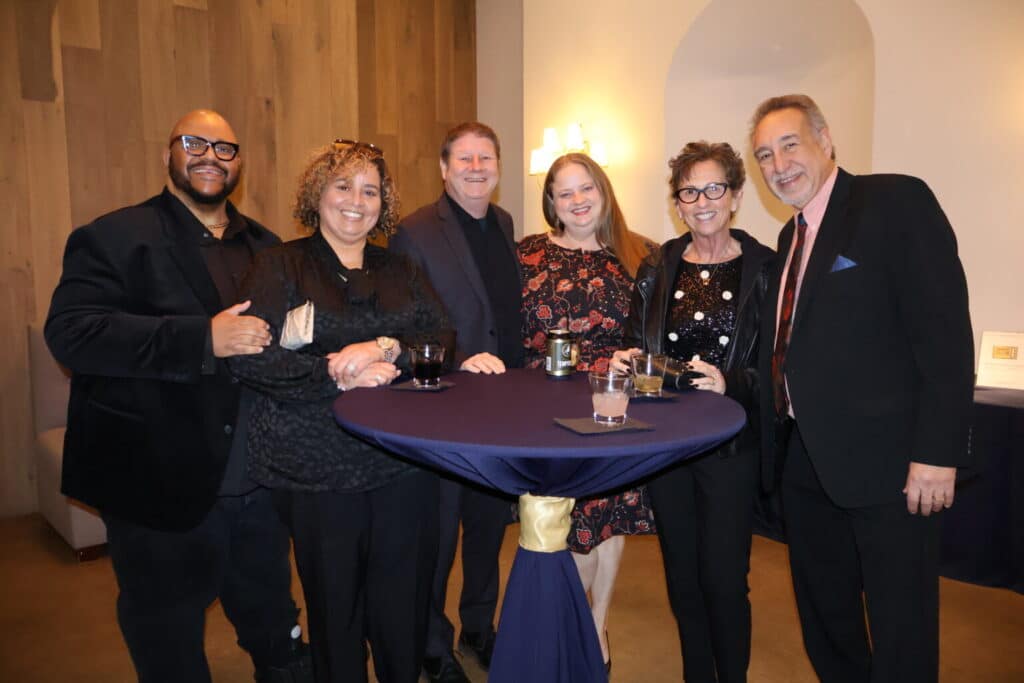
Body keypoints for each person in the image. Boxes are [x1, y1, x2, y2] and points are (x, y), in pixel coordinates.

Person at [45, 110, 310, 683]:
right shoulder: (113, 236)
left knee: (274, 622)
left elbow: (287, 339)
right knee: (167, 635)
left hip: (258, 482)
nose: (210, 155)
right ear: (169, 153)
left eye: (225, 146)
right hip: (156, 482)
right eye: (195, 143)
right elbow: (71, 334)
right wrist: (201, 338)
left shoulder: (267, 246)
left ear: (239, 162)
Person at [750, 94, 974, 683]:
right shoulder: (787, 238)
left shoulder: (894, 201)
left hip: (891, 465)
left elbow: (944, 336)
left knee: (901, 624)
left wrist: (937, 452)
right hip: (805, 461)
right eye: (765, 155)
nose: (779, 165)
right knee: (827, 616)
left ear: (825, 140)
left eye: (790, 144)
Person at [228, 140, 452, 683]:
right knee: (336, 609)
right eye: (343, 185)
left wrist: (385, 348)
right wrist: (332, 372)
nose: (357, 200)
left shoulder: (401, 268)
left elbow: (441, 338)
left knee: (401, 601)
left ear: (384, 203)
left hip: (399, 460)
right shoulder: (280, 264)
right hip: (316, 467)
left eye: (371, 190)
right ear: (317, 194)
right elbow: (251, 358)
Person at [611, 141, 774, 682]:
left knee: (724, 580)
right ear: (677, 202)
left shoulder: (766, 269)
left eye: (713, 188)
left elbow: (783, 362)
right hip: (670, 439)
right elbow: (638, 339)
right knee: (682, 576)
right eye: (689, 191)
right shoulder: (658, 266)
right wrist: (632, 356)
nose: (701, 201)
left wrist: (734, 381)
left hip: (730, 445)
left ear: (735, 196)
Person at [390, 122, 522, 683]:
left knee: (488, 531)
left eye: (485, 158)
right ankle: (431, 644)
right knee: (439, 538)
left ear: (497, 166)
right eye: (463, 158)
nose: (475, 167)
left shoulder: (505, 223)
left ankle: (478, 628)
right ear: (444, 169)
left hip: (498, 409)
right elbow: (405, 321)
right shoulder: (414, 231)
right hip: (443, 408)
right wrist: (456, 356)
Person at [519, 152, 655, 673]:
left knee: (608, 516)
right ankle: (574, 626)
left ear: (603, 190)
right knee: (567, 525)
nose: (577, 201)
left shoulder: (640, 254)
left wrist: (634, 356)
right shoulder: (526, 254)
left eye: (585, 189)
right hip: (546, 406)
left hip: (610, 406)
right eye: (564, 192)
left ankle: (596, 626)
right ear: (550, 202)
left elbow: (651, 335)